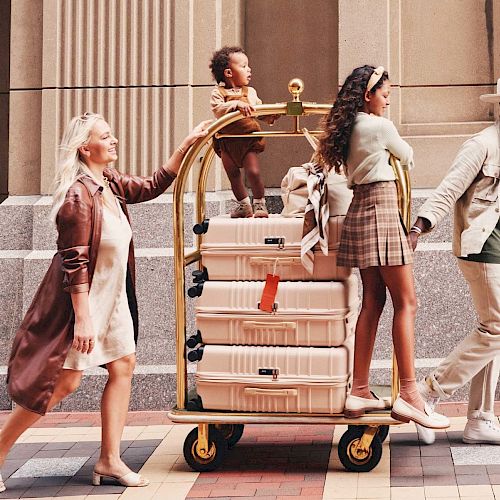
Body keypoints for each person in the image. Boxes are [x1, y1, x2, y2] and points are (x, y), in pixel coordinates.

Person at [0, 112, 211, 492]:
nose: (114, 141)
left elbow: (150, 186)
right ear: (86, 147)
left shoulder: (108, 183)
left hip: (111, 300)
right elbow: (74, 260)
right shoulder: (79, 194)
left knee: (123, 365)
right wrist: (83, 318)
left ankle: (110, 459)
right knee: (64, 383)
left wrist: (187, 143)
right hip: (83, 304)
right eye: (106, 136)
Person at [316, 65, 449, 429]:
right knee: (407, 301)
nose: (387, 99)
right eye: (384, 93)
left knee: (373, 300)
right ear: (367, 94)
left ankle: (359, 388)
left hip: (361, 208)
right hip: (383, 208)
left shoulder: (349, 128)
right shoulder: (379, 126)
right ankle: (409, 394)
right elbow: (407, 156)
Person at [411, 79, 500, 445]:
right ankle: (428, 391)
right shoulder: (481, 144)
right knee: (497, 327)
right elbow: (448, 188)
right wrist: (420, 225)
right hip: (482, 248)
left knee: (493, 331)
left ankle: (479, 417)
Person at [210, 46, 278, 218]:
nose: (249, 70)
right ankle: (244, 205)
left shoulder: (250, 92)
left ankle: (260, 203)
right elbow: (218, 110)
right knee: (232, 174)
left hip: (247, 139)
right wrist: (235, 104)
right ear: (228, 72)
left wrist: (271, 115)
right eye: (243, 66)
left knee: (253, 172)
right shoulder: (219, 93)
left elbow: (258, 110)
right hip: (226, 140)